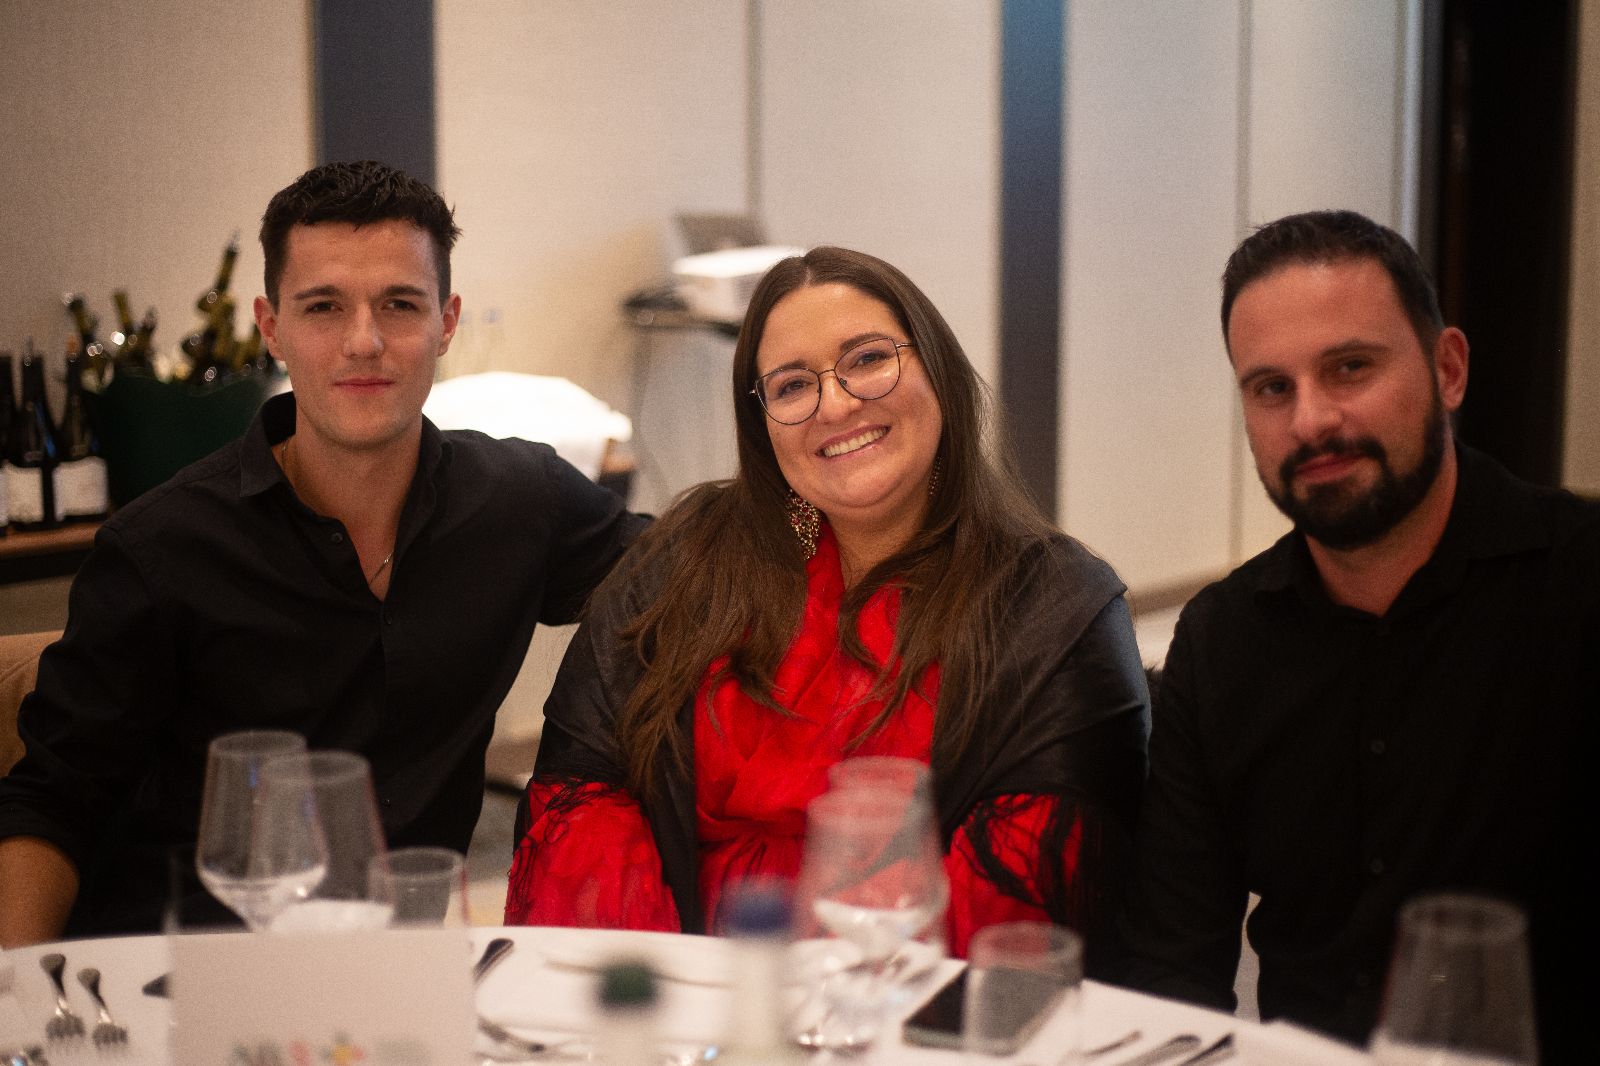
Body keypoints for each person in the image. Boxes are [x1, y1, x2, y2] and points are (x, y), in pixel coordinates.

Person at [0, 160, 647, 946]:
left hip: (405, 967)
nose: (364, 341)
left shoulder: (521, 502)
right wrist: (20, 998)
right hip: (187, 971)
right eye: (324, 307)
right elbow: (51, 802)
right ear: (271, 327)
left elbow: (695, 572)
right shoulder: (160, 550)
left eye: (400, 305)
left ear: (446, 322)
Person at [505, 246, 1149, 965]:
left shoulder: (1055, 606)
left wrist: (818, 1001)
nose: (836, 405)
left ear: (936, 368)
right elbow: (580, 796)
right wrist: (671, 993)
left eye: (868, 359)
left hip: (901, 1004)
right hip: (678, 997)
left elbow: (1017, 905)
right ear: (763, 422)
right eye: (791, 386)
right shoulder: (685, 562)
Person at [1116, 210, 1596, 1059]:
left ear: (1448, 369)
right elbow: (1171, 971)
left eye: (1350, 368)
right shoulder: (1222, 641)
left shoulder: (1580, 584)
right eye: (1272, 388)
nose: (1310, 421)